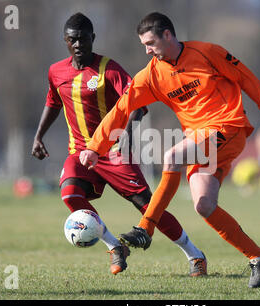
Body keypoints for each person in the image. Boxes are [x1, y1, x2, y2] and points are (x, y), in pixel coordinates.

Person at [79, 12, 260, 288]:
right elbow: (122, 109)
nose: (147, 50)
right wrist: (95, 146)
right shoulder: (152, 74)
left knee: (172, 156)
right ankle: (258, 257)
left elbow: (245, 76)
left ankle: (145, 228)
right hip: (201, 142)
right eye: (144, 44)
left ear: (168, 35)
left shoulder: (207, 52)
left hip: (228, 127)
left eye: (151, 42)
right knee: (204, 205)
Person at [32, 13, 207, 277]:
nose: (78, 44)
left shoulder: (109, 69)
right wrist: (38, 136)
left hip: (113, 153)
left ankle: (194, 255)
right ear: (65, 42)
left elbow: (138, 105)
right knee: (70, 195)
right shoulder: (56, 71)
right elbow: (53, 102)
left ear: (93, 38)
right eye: (72, 40)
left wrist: (125, 134)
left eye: (83, 38)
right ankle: (115, 246)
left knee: (149, 206)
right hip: (80, 153)